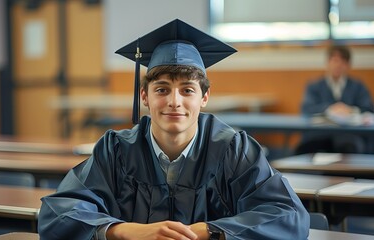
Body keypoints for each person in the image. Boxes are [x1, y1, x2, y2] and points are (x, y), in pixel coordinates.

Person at [38, 19, 309, 240]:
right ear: (145, 96)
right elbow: (58, 214)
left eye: (187, 90)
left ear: (204, 97)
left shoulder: (233, 150)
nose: (174, 102)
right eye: (162, 89)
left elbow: (288, 215)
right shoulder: (117, 150)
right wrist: (124, 231)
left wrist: (208, 230)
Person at [296, 45, 374, 154]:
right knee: (304, 148)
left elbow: (368, 108)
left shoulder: (358, 86)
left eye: (342, 61)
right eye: (335, 61)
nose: (338, 65)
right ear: (327, 63)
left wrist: (350, 110)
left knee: (350, 146)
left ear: (348, 65)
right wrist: (330, 109)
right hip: (320, 133)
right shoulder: (314, 86)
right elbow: (307, 108)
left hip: (350, 135)